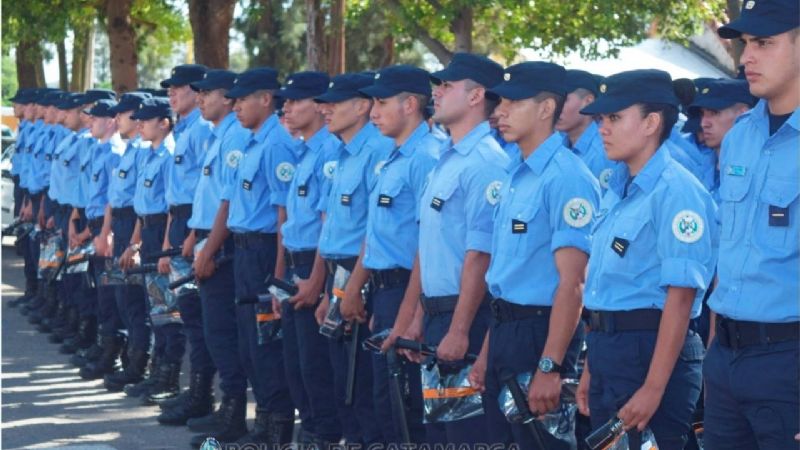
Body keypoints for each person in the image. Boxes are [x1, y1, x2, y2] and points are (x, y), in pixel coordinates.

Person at [574, 69, 717, 450]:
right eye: (602, 119)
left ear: (652, 122)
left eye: (615, 118)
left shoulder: (677, 191)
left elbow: (681, 298)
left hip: (650, 350)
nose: (603, 128)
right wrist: (592, 365)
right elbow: (606, 289)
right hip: (610, 349)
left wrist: (655, 388)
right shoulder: (618, 188)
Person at [467, 61, 599, 450]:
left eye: (512, 103)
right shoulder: (515, 174)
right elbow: (508, 280)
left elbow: (573, 284)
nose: (498, 112)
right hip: (505, 331)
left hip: (541, 336)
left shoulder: (566, 177)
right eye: (499, 102)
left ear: (545, 109)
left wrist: (550, 366)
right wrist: (486, 355)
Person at [393, 53, 509, 445]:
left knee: (466, 434)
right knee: (440, 433)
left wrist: (459, 329)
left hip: (468, 318)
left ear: (476, 96)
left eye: (447, 86)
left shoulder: (486, 163)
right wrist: (416, 316)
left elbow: (481, 255)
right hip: (439, 314)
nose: (436, 92)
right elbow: (432, 246)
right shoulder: (447, 158)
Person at [704, 1, 800, 448]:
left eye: (765, 43)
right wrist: (712, 351)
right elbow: (730, 247)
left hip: (788, 362)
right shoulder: (740, 134)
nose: (747, 58)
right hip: (725, 358)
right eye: (746, 44)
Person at [339, 65, 441, 444]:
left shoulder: (427, 158)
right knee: (384, 399)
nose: (373, 111)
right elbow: (375, 233)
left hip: (406, 292)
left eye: (381, 102)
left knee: (405, 406)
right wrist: (356, 286)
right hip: (383, 293)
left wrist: (409, 313)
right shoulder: (394, 158)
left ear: (410, 104)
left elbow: (424, 247)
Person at [204, 66, 296, 447]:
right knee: (248, 343)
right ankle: (260, 426)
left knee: (265, 344)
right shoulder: (249, 142)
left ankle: (275, 432)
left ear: (265, 99)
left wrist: (277, 275)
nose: (236, 105)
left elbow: (282, 216)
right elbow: (230, 200)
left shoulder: (276, 144)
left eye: (243, 99)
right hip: (243, 251)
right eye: (234, 99)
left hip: (263, 252)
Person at [160, 70, 246, 434]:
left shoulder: (233, 136)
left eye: (205, 93)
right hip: (202, 234)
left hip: (221, 241)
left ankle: (233, 411)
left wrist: (207, 246)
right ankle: (213, 401)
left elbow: (228, 200)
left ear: (227, 98)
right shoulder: (216, 136)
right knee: (205, 325)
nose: (199, 98)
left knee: (220, 330)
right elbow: (203, 194)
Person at [313, 72, 393, 446]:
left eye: (334, 103)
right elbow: (331, 230)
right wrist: (330, 289)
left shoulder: (376, 150)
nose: (324, 110)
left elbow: (370, 233)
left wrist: (350, 289)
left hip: (359, 276)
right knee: (340, 378)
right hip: (339, 275)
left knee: (360, 384)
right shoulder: (343, 152)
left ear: (361, 106)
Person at [275, 70, 343, 446]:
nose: (286, 107)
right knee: (298, 365)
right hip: (296, 266)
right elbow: (291, 225)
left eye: (295, 100)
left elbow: (324, 228)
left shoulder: (328, 153)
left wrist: (317, 282)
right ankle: (313, 432)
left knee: (316, 366)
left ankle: (324, 436)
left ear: (320, 107)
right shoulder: (305, 152)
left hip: (315, 270)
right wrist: (281, 276)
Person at [138, 64, 212, 405]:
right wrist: (172, 235)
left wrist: (193, 234)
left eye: (178, 88)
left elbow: (204, 189)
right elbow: (176, 194)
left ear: (198, 93)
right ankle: (191, 391)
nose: (171, 94)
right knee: (180, 308)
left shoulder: (201, 130)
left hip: (194, 225)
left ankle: (200, 394)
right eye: (169, 89)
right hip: (179, 222)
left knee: (193, 316)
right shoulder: (184, 130)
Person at [78, 92, 152, 380]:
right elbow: (112, 197)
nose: (120, 118)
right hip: (116, 228)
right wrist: (106, 231)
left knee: (130, 301)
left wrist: (126, 239)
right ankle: (114, 354)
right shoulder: (129, 151)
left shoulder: (134, 151)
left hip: (131, 229)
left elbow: (138, 203)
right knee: (116, 297)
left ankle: (134, 364)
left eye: (124, 113)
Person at [108, 97, 175, 392]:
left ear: (164, 123)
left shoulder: (170, 156)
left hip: (161, 231)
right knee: (149, 306)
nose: (140, 124)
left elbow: (172, 208)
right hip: (142, 230)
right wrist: (134, 243)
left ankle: (166, 378)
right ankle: (151, 372)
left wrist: (164, 245)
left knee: (165, 310)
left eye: (146, 120)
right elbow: (141, 206)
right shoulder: (148, 154)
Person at [687, 78, 755, 201]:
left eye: (714, 113)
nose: (703, 123)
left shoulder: (758, 168)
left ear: (743, 114)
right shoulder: (697, 166)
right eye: (702, 114)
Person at [556, 69, 618, 192]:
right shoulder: (559, 143)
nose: (556, 107)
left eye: (563, 100)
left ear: (588, 102)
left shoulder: (604, 152)